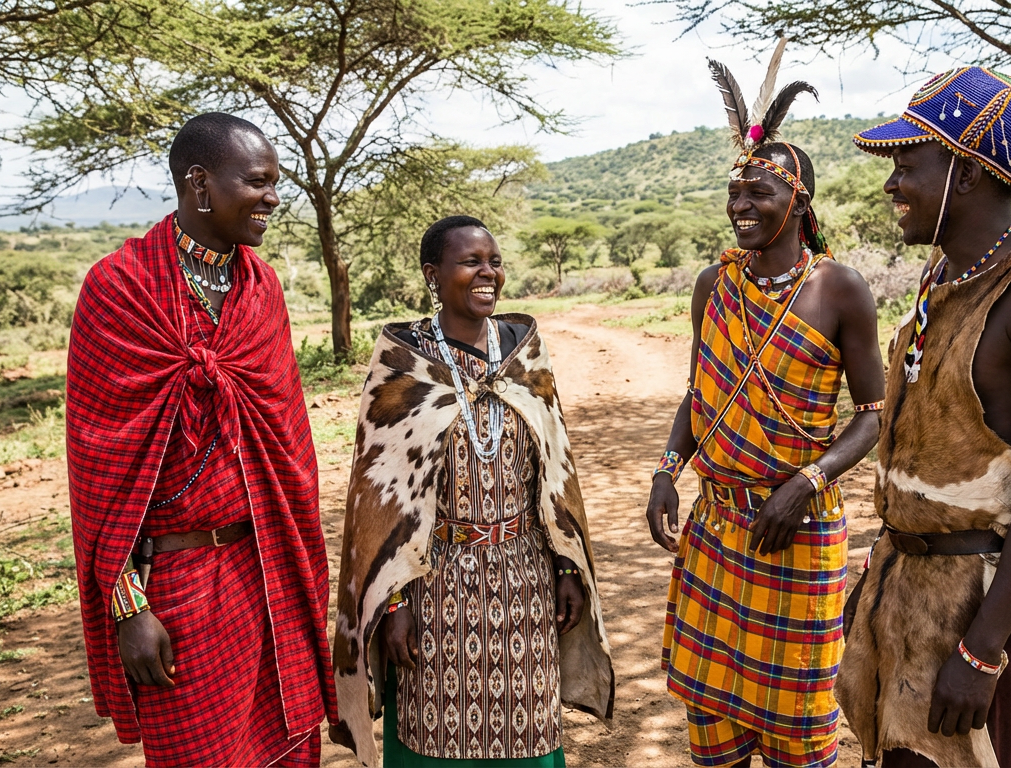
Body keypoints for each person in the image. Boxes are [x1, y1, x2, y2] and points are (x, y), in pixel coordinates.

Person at [835, 67, 1011, 768]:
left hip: (985, 603)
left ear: (965, 173)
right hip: (910, 592)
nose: (890, 184)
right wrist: (881, 572)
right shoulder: (943, 280)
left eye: (908, 165)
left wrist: (982, 648)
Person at [67, 112, 336, 766]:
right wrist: (129, 608)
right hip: (176, 581)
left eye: (277, 184)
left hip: (268, 566)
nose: (274, 198)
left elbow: (287, 445)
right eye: (259, 182)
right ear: (200, 183)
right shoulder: (120, 289)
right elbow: (99, 476)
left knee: (291, 749)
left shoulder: (260, 288)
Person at [648, 45, 887, 768]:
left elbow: (875, 411)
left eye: (761, 193)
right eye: (736, 191)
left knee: (798, 730)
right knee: (714, 723)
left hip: (799, 530)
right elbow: (700, 392)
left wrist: (809, 482)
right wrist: (667, 469)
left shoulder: (839, 289)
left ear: (800, 202)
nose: (742, 206)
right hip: (717, 525)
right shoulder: (712, 285)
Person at [329, 216, 614, 766]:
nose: (488, 273)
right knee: (434, 728)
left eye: (494, 261)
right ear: (433, 275)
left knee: (528, 726)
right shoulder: (403, 363)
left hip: (525, 577)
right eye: (471, 262)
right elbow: (380, 500)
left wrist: (565, 569)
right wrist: (392, 603)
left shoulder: (524, 352)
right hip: (434, 587)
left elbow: (553, 469)